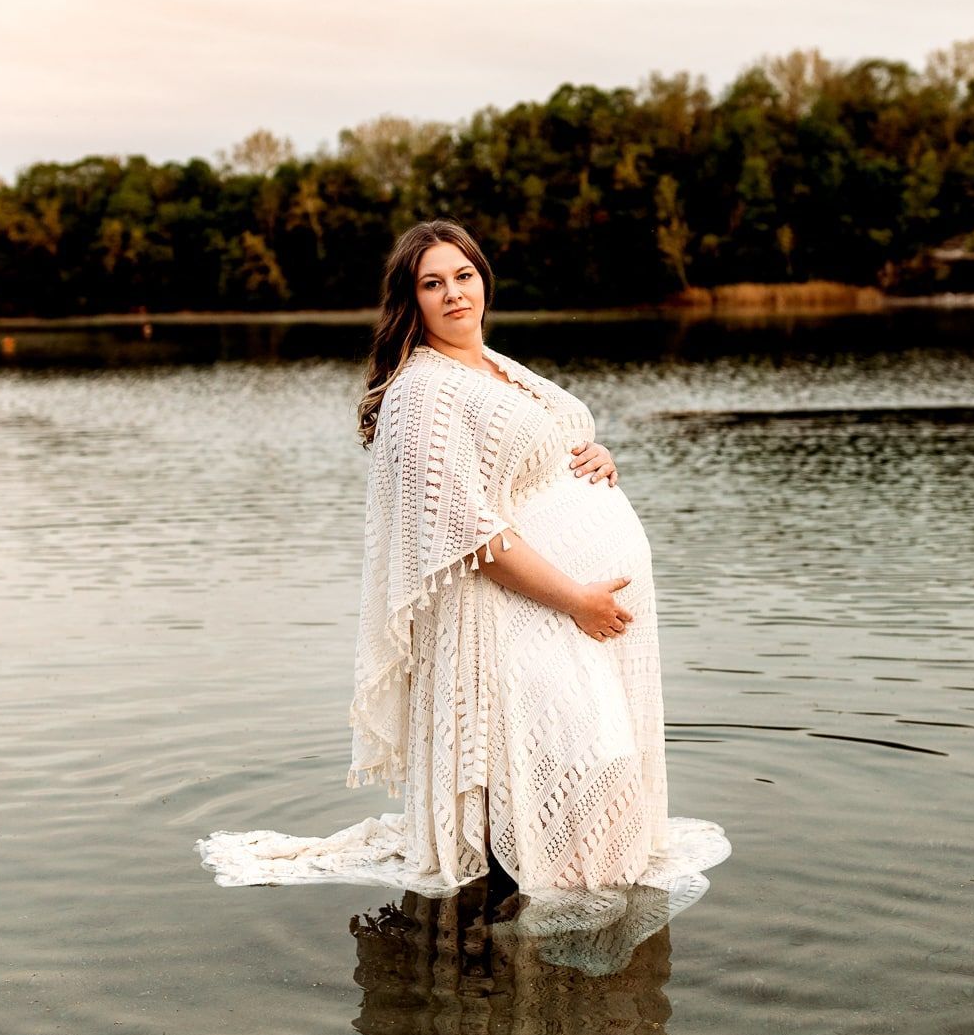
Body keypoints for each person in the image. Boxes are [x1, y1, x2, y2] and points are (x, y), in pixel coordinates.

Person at [195, 218, 730, 905]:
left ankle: (536, 929)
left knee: (593, 757)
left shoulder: (496, 367)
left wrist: (595, 458)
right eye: (432, 283)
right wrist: (576, 601)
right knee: (574, 758)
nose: (453, 294)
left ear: (483, 280)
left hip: (563, 612)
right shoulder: (422, 392)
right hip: (516, 614)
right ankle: (529, 917)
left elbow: (546, 450)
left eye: (463, 276)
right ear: (410, 301)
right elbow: (465, 532)